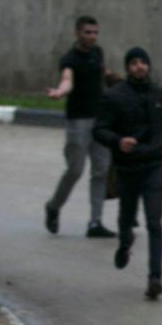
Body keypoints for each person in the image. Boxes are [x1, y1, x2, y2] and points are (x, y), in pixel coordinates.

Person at [94, 46, 162, 301]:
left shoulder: (158, 94)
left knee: (155, 222)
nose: (139, 67)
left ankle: (155, 278)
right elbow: (99, 130)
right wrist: (118, 141)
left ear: (148, 65)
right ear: (127, 67)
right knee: (126, 218)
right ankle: (125, 244)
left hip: (154, 165)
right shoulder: (114, 96)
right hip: (127, 168)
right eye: (134, 63)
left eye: (143, 62)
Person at [45, 15, 115, 239]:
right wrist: (60, 91)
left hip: (100, 121)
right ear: (77, 33)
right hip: (78, 121)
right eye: (88, 32)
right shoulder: (70, 59)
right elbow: (67, 80)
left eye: (95, 32)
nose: (92, 36)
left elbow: (102, 75)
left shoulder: (98, 52)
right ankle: (53, 206)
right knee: (75, 170)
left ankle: (95, 222)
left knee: (101, 171)